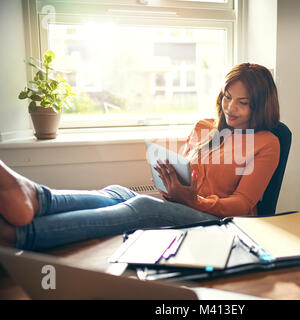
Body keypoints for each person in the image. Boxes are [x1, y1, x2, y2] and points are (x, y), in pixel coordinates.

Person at [0, 63, 280, 251]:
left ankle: (19, 235)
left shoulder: (266, 143)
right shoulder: (205, 127)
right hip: (188, 208)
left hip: (221, 226)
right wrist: (172, 184)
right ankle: (37, 197)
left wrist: (197, 201)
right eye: (227, 97)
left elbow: (243, 205)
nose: (230, 107)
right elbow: (190, 178)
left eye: (242, 102)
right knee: (118, 193)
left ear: (260, 104)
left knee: (142, 207)